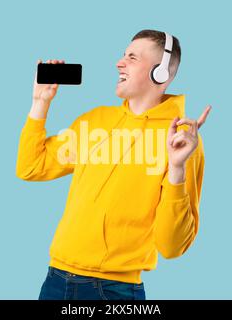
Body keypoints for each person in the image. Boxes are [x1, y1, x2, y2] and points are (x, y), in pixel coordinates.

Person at [16, 29, 211, 300]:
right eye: (123, 55)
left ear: (161, 73)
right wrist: (40, 104)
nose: (119, 62)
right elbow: (31, 167)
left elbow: (172, 247)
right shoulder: (94, 121)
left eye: (132, 57)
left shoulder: (181, 139)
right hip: (56, 280)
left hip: (115, 291)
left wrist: (177, 169)